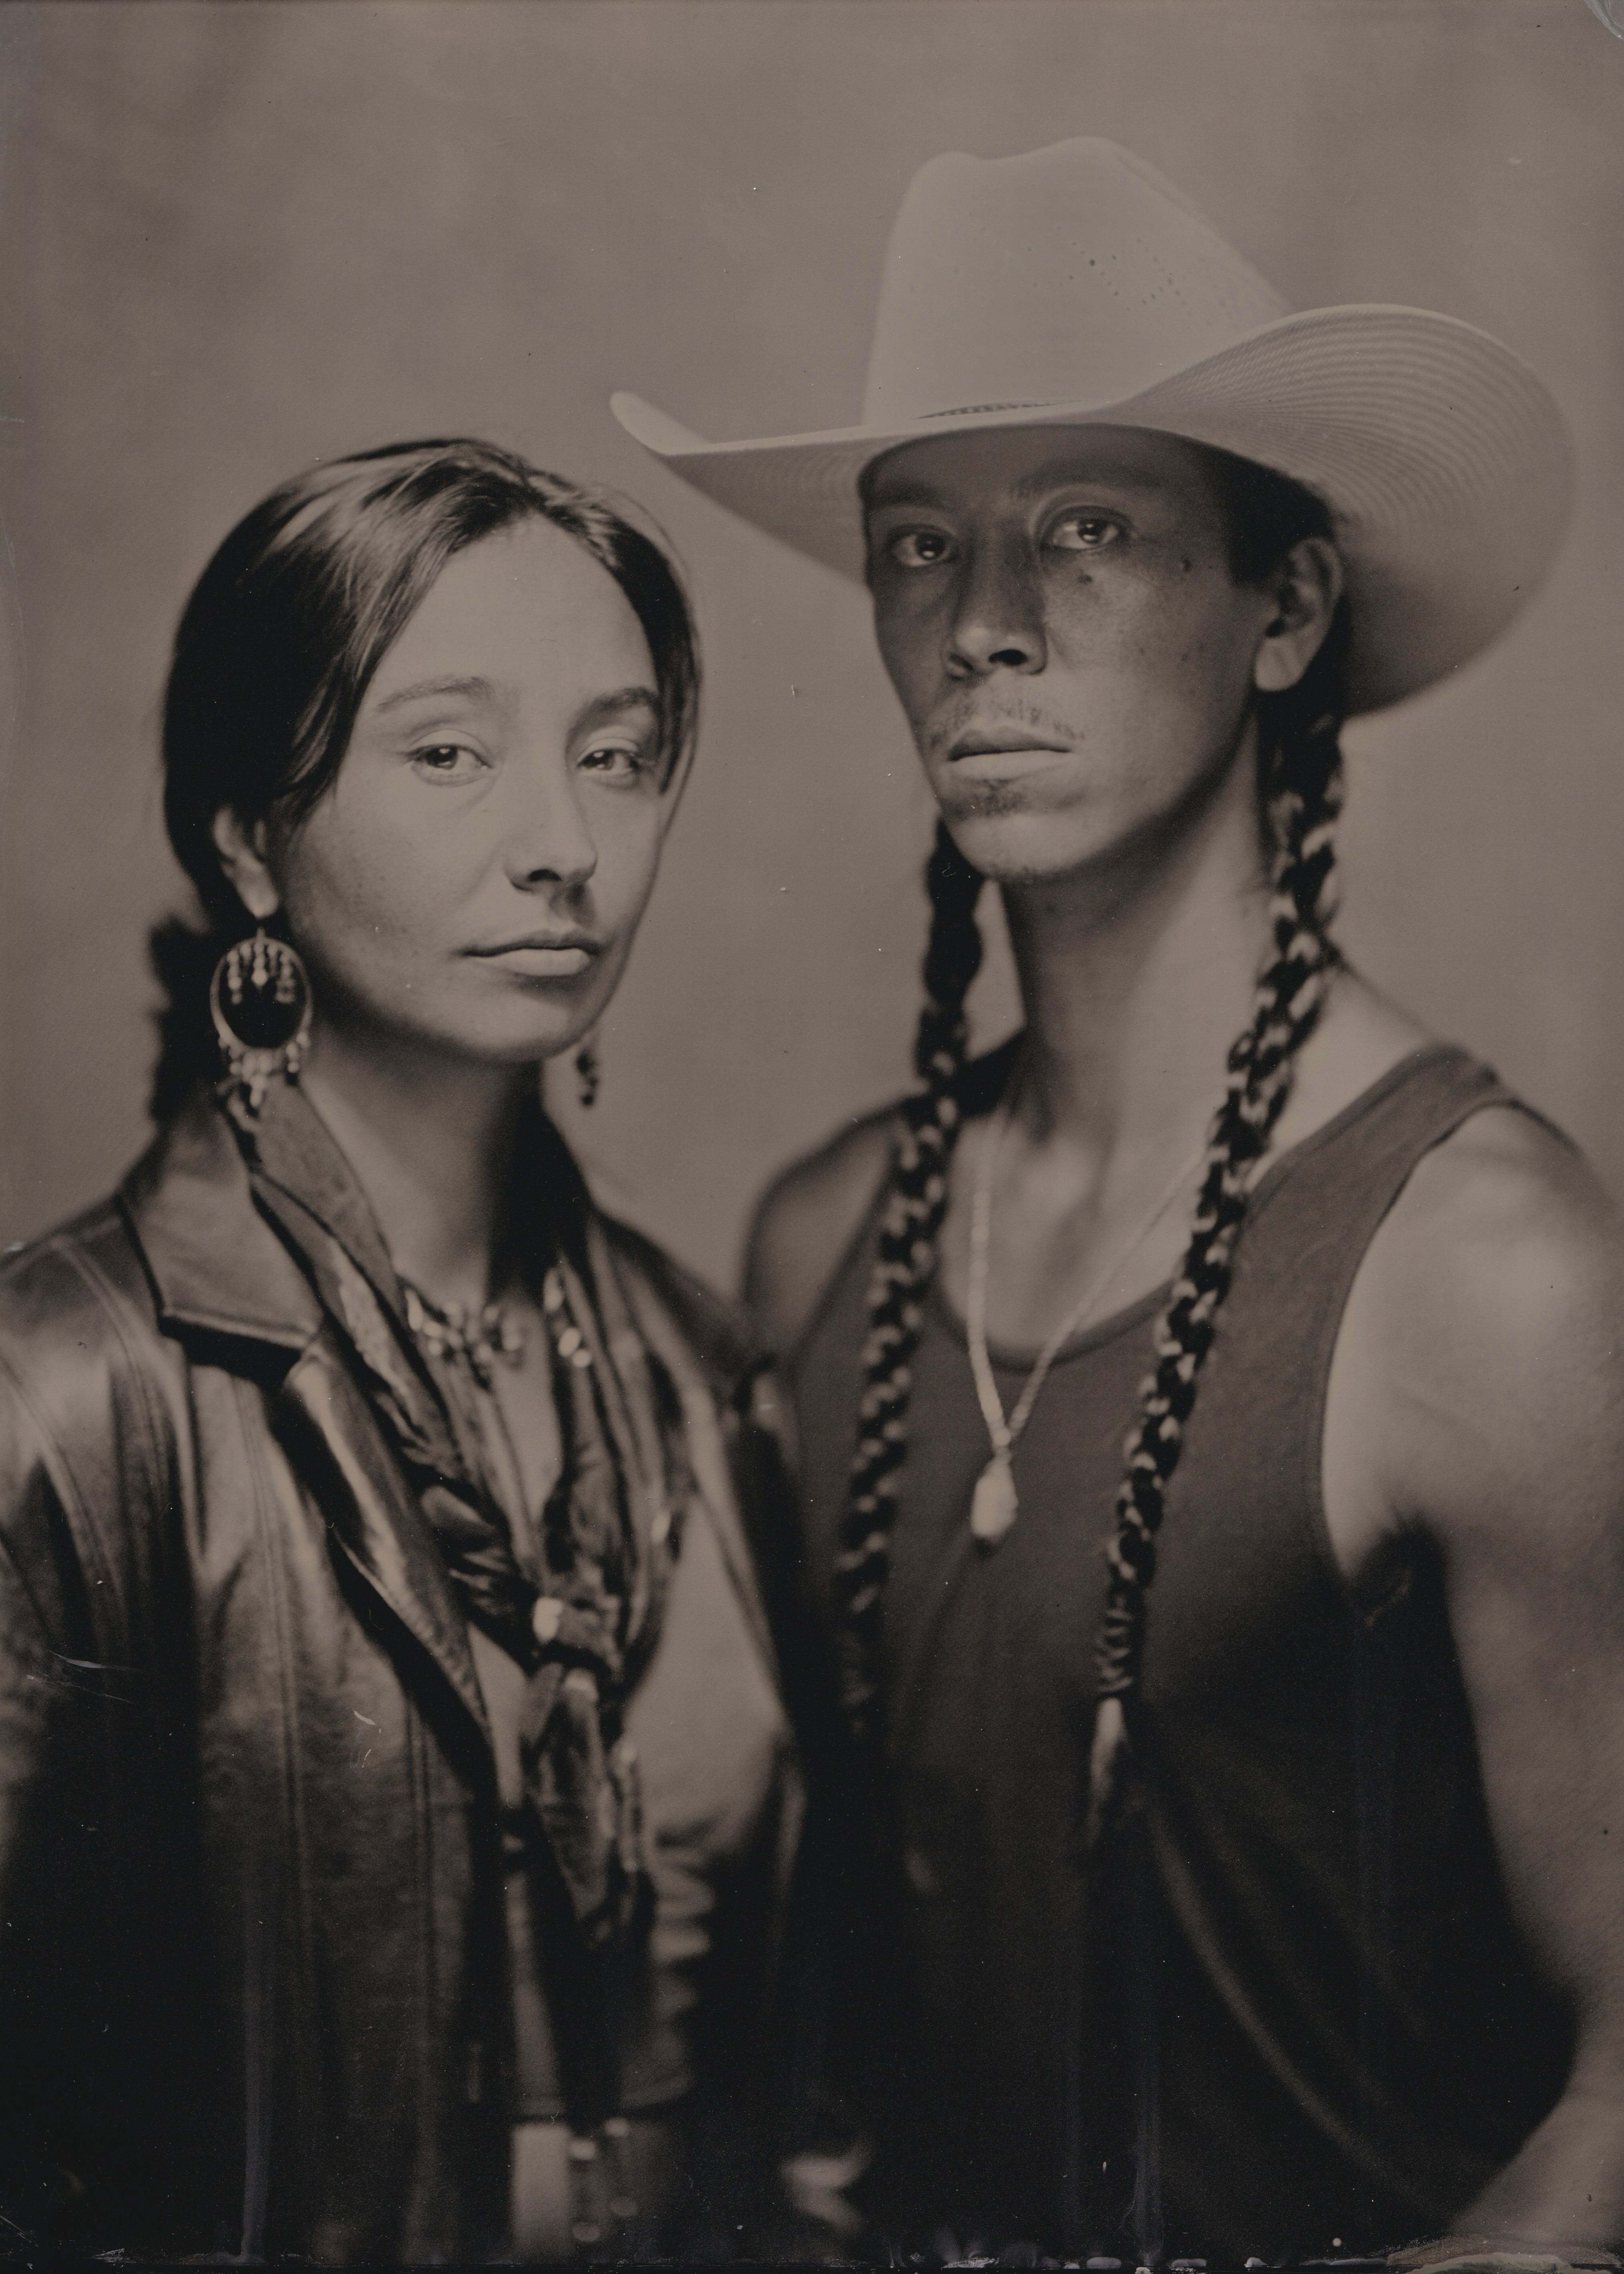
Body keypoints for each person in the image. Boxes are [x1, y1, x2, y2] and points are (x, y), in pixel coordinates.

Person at [611, 141, 1624, 2262]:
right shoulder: (823, 1249)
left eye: (1084, 531)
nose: (981, 626)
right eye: (918, 543)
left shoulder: (1486, 1279)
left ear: (1283, 609)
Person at [0, 439, 828, 2263]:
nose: (562, 840)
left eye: (614, 754)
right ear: (248, 838)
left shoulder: (697, 1367)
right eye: (448, 750)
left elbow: (809, 2092)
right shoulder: (70, 1394)